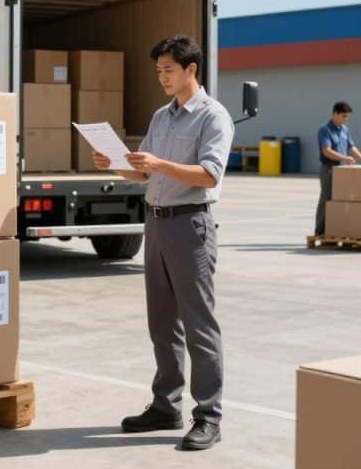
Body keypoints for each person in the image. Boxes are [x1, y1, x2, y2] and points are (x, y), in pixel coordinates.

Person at [93, 35, 233, 451]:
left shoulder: (214, 116)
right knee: (162, 323)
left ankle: (208, 415)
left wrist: (159, 165)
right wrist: (116, 164)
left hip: (190, 228)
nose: (162, 77)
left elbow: (209, 175)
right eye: (158, 71)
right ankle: (166, 406)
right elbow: (144, 173)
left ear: (191, 69)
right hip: (155, 226)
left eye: (168, 70)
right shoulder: (162, 116)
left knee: (199, 326)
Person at [315, 102, 361, 236]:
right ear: (335, 114)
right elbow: (326, 151)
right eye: (344, 116)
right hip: (329, 169)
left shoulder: (345, 129)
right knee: (327, 198)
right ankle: (320, 231)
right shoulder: (325, 130)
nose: (346, 119)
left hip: (343, 169)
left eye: (348, 116)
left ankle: (336, 229)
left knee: (342, 199)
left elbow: (351, 147)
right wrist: (344, 158)